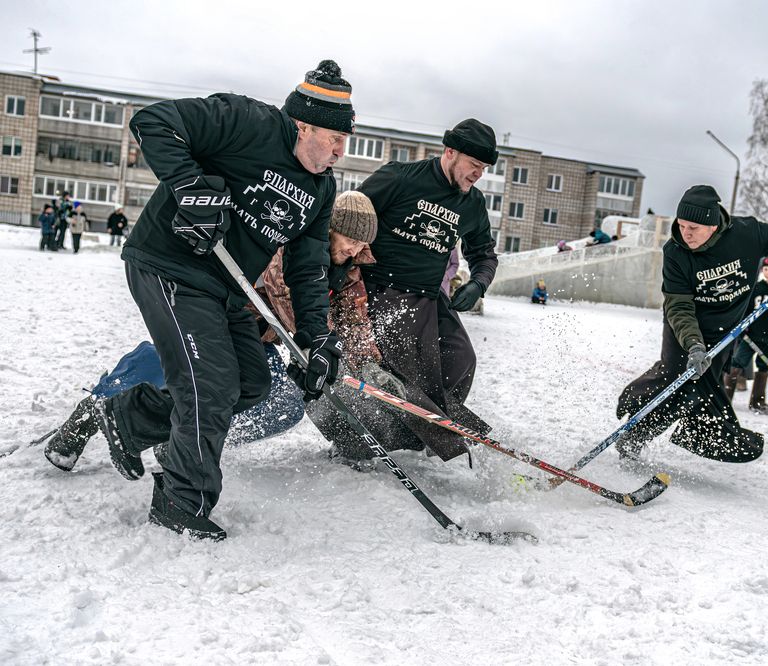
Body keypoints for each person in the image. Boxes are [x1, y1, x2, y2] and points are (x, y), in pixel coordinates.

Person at [78, 59, 356, 541]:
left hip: (225, 290)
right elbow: (153, 121)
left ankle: (131, 417)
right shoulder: (248, 122)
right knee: (209, 383)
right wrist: (191, 190)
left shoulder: (320, 188)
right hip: (169, 264)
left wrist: (316, 339)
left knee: (250, 383)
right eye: (334, 139)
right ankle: (181, 501)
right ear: (304, 125)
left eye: (344, 143)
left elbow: (307, 268)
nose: (340, 151)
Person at [42, 191, 381, 474]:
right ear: (329, 229)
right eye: (349, 240)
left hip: (259, 339)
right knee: (174, 370)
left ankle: (180, 442)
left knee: (283, 405)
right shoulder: (295, 245)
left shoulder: (349, 269)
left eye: (360, 244)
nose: (353, 250)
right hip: (218, 319)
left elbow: (355, 321)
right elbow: (283, 292)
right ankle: (94, 407)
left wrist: (366, 363)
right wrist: (312, 346)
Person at [615, 185, 768, 463]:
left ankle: (702, 436)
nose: (686, 233)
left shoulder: (748, 233)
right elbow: (679, 305)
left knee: (698, 389)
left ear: (712, 224)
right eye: (682, 225)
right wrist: (694, 344)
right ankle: (635, 434)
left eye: (693, 227)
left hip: (725, 331)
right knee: (676, 377)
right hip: (685, 324)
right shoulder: (675, 252)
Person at [358, 118, 500, 462]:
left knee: (461, 360)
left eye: (483, 168)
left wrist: (478, 283)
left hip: (429, 297)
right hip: (382, 291)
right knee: (409, 374)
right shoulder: (399, 178)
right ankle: (362, 439)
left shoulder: (472, 203)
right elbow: (350, 218)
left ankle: (408, 435)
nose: (478, 174)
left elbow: (484, 254)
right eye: (473, 165)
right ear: (449, 152)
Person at [724, 255, 768, 414]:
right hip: (750, 338)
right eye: (766, 269)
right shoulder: (755, 289)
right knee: (736, 364)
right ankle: (724, 399)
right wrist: (743, 331)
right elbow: (744, 311)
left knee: (763, 368)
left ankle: (757, 402)